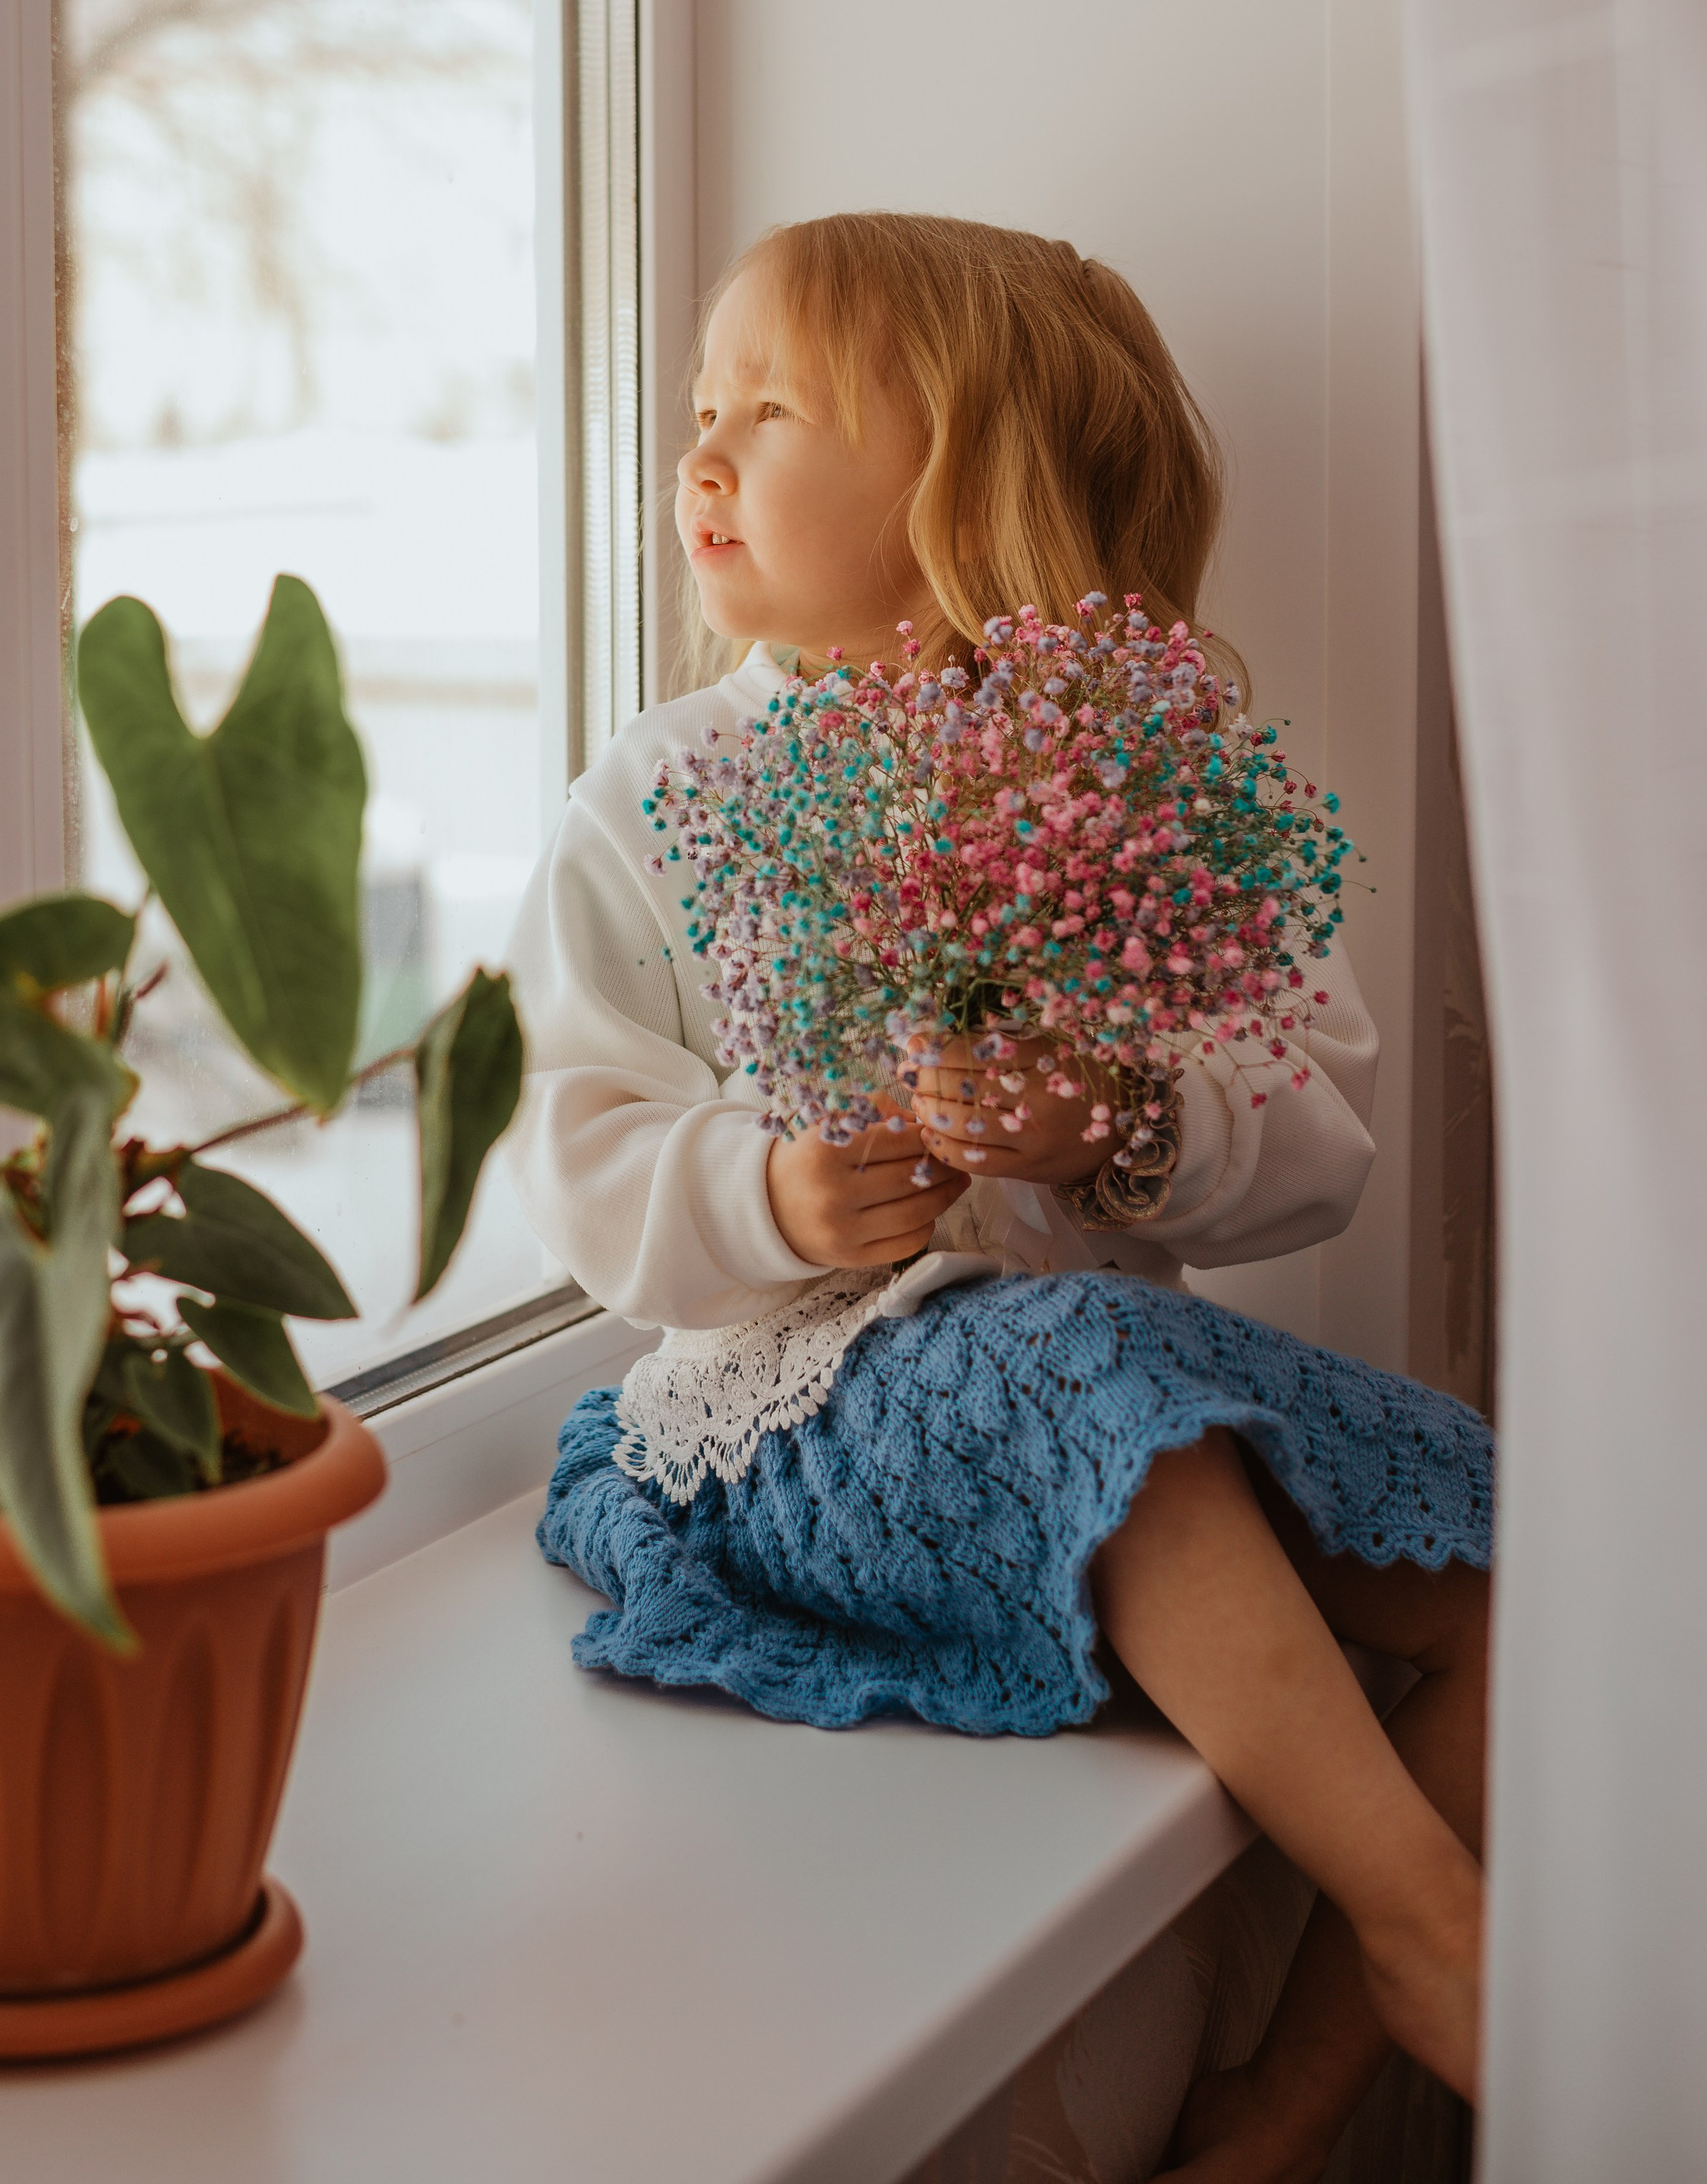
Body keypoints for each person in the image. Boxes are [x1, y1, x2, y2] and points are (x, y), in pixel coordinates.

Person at [506, 211, 1491, 2182]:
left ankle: (1284, 2103)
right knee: (1104, 1392)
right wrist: (775, 1187)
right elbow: (570, 1137)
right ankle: (1441, 1928)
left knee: (1519, 1549)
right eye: (702, 408)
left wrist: (1122, 1122)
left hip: (1109, 1375)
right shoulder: (666, 787)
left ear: (974, 485)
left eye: (770, 408)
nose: (701, 452)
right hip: (791, 1410)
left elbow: (1313, 1115)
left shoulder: (1141, 775)